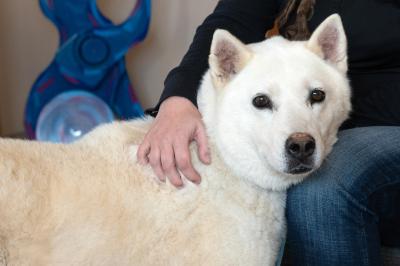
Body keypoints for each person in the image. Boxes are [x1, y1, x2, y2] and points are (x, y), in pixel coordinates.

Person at [137, 0, 400, 265]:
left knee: (321, 191)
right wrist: (177, 100)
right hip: (324, 122)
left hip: (381, 124)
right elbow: (233, 19)